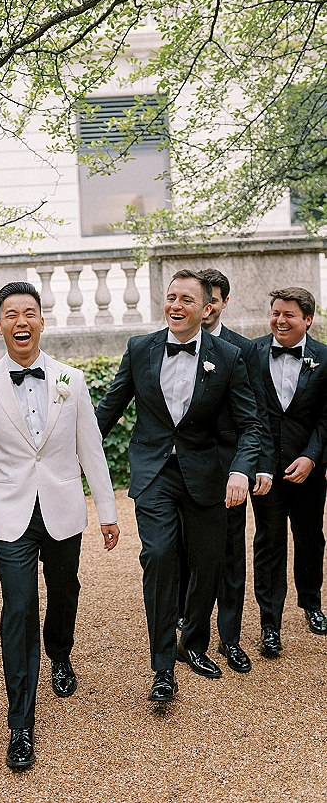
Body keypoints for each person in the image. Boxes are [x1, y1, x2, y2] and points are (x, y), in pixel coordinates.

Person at [0, 281, 119, 771]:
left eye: (30, 313)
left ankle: (61, 654)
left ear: (42, 322)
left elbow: (91, 446)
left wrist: (107, 511)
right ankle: (20, 724)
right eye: (11, 314)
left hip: (65, 507)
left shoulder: (72, 379)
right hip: (10, 516)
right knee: (19, 608)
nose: (21, 322)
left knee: (65, 591)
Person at [96, 269, 260, 703]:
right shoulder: (140, 349)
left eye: (187, 299)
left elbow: (251, 425)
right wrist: (70, 451)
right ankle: (163, 667)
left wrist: (241, 470)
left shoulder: (228, 356)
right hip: (154, 472)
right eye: (171, 297)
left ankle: (195, 644)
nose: (175, 306)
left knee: (208, 565)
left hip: (205, 474)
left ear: (207, 308)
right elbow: (109, 408)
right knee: (159, 555)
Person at [177, 268, 275, 673]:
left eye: (215, 298)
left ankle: (230, 638)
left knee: (232, 554)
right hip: (185, 468)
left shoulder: (242, 350)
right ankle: (187, 626)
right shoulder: (171, 342)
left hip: (231, 469)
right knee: (186, 551)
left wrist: (260, 466)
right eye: (205, 297)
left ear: (222, 303)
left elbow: (259, 414)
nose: (210, 304)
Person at [251, 287, 327, 655]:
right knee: (269, 541)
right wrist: (260, 465)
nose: (279, 320)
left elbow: (326, 418)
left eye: (289, 315)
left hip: (308, 468)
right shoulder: (251, 353)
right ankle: (270, 624)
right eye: (275, 313)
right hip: (265, 470)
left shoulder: (325, 358)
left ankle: (311, 603)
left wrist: (312, 456)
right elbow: (250, 415)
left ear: (308, 319)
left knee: (310, 536)